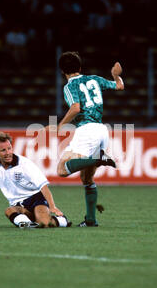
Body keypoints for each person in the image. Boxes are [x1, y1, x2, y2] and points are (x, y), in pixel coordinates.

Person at [46, 51, 124, 227]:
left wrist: (60, 126)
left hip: (87, 131)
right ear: (80, 68)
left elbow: (75, 108)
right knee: (87, 179)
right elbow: (119, 86)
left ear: (62, 71)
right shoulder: (95, 79)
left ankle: (99, 159)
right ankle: (91, 220)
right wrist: (116, 76)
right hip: (102, 130)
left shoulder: (69, 86)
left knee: (61, 169)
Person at [0, 132, 71, 228]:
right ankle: (29, 224)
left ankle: (61, 220)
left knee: (44, 224)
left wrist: (52, 207)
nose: (8, 153)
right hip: (17, 205)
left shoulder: (25, 164)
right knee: (9, 210)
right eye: (3, 150)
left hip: (36, 198)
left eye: (9, 148)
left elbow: (43, 187)